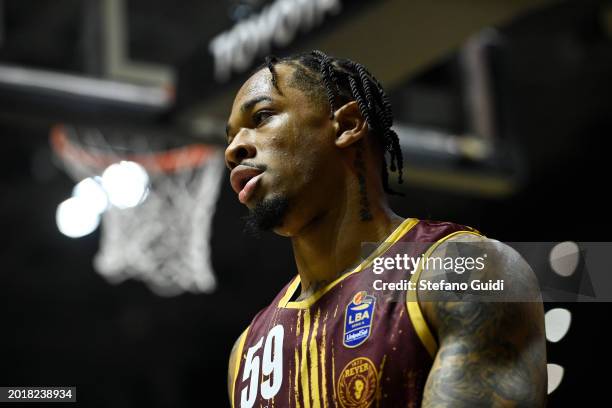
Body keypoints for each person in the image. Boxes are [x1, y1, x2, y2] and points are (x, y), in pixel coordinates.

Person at [224, 50, 546, 407]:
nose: (233, 148)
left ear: (347, 126)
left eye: (262, 116)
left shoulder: (465, 272)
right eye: (230, 136)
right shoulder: (247, 352)